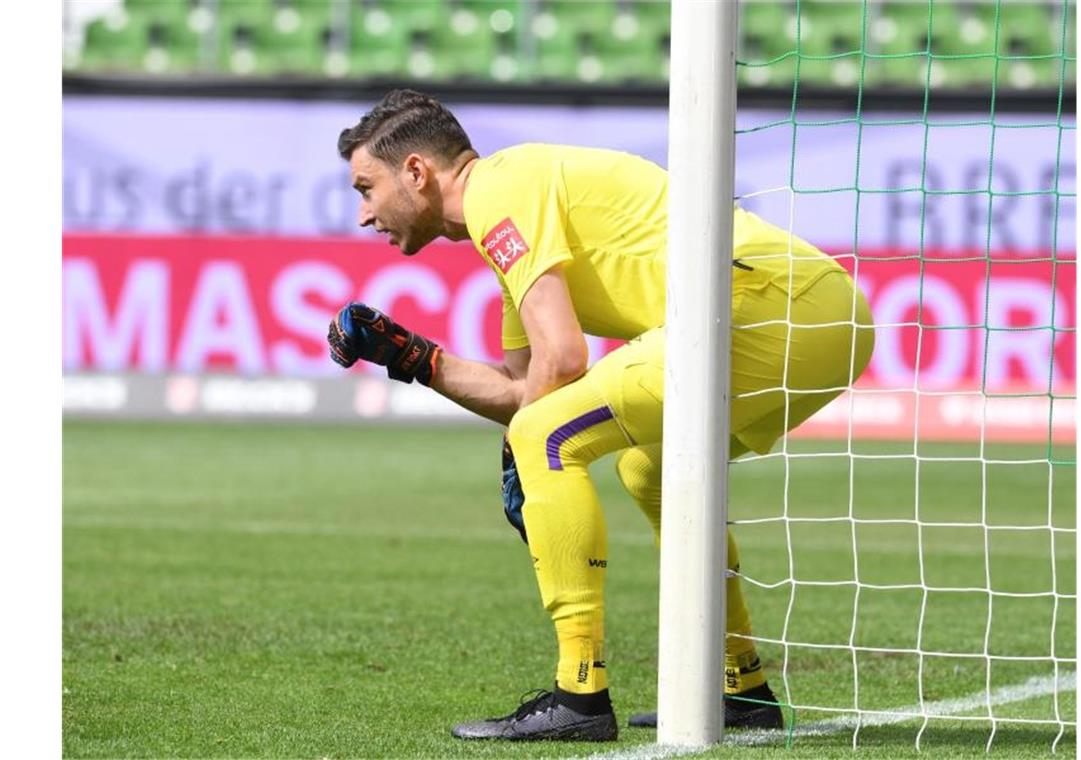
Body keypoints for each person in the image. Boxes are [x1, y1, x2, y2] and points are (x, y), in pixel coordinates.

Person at [327, 89, 874, 742]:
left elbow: (561, 362)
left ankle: (579, 693)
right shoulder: (511, 210)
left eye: (367, 187)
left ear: (415, 171)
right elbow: (524, 382)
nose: (364, 214)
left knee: (542, 437)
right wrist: (414, 357)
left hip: (771, 307)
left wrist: (519, 455)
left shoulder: (499, 189)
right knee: (650, 470)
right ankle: (742, 685)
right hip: (820, 315)